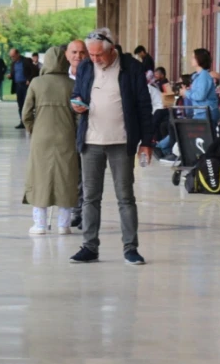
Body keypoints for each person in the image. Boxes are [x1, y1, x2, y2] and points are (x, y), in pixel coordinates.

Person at [69, 27, 154, 265]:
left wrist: (146, 142)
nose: (95, 59)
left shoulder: (131, 68)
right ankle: (89, 246)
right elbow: (77, 93)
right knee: (89, 197)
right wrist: (76, 104)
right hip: (91, 141)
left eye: (99, 55)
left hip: (121, 142)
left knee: (125, 197)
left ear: (112, 50)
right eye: (91, 55)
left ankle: (130, 248)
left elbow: (144, 106)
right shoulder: (86, 67)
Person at [22, 46, 79, 235]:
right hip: (66, 136)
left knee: (40, 178)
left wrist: (34, 129)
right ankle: (64, 225)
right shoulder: (72, 85)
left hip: (41, 137)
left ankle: (39, 224)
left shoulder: (36, 83)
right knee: (66, 178)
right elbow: (79, 116)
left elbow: (26, 114)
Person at [66, 39, 89, 230]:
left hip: (87, 132)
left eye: (82, 52)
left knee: (86, 174)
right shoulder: (60, 78)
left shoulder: (92, 76)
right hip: (64, 133)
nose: (78, 56)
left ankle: (83, 212)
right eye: (74, 52)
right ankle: (74, 210)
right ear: (67, 54)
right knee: (71, 175)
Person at [181, 48, 218, 123]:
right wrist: (187, 91)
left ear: (199, 59)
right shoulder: (198, 75)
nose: (191, 59)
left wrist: (186, 93)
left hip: (206, 112)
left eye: (193, 57)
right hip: (201, 112)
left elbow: (200, 96)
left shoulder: (204, 76)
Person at [9, 48, 38, 129]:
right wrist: (11, 76)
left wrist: (29, 79)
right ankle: (22, 121)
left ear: (18, 54)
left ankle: (29, 121)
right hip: (18, 85)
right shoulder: (13, 63)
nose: (12, 58)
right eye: (11, 57)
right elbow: (13, 73)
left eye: (13, 56)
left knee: (27, 104)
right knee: (20, 104)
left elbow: (34, 71)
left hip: (26, 85)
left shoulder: (26, 61)